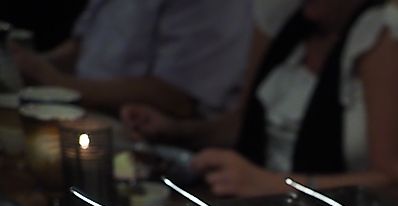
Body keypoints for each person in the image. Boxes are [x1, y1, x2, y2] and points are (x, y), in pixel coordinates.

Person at [120, 0, 398, 206]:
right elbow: (244, 124)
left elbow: (390, 183)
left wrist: (269, 183)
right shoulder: (289, 19)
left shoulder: (389, 38)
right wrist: (175, 130)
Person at [9, 0, 254, 117]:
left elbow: (175, 97)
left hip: (155, 141)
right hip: (81, 114)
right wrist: (25, 62)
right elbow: (80, 47)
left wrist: (55, 83)